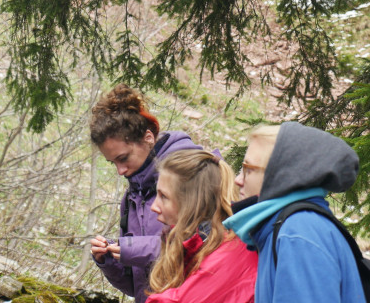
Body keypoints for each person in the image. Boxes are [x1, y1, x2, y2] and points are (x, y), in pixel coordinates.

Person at [88, 84, 205, 303]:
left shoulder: (194, 176)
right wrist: (109, 260)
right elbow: (137, 287)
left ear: (148, 137)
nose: (120, 171)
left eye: (123, 158)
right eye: (112, 162)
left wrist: (130, 248)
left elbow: (197, 249)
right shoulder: (132, 198)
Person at [223, 122, 365, 302]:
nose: (238, 180)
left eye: (248, 169)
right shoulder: (286, 227)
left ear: (280, 176)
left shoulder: (298, 234)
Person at [145, 150, 257, 302]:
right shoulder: (206, 244)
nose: (154, 206)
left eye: (164, 196)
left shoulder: (230, 251)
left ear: (191, 205)